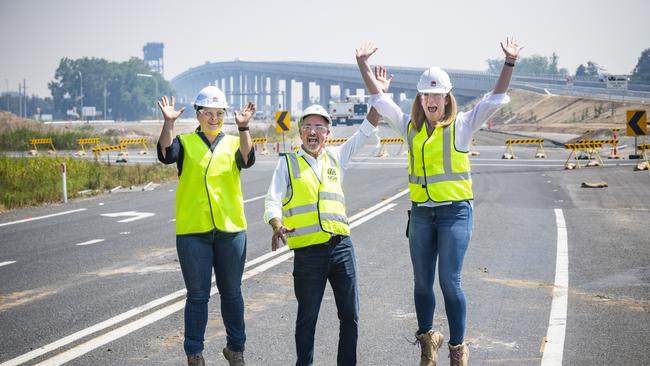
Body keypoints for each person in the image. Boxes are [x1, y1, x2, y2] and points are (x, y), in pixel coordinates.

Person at [355, 38, 523, 366]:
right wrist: (363, 64)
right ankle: (427, 341)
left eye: (438, 94)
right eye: (427, 94)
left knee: (449, 279)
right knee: (421, 282)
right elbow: (379, 99)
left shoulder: (461, 126)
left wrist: (510, 63)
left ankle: (458, 350)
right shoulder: (409, 127)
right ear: (420, 98)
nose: (432, 99)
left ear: (447, 98)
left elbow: (495, 99)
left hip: (455, 214)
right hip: (420, 215)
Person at [264, 104, 380, 366]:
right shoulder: (288, 163)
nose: (313, 132)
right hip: (308, 254)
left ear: (328, 133)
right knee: (307, 318)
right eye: (308, 127)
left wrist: (378, 95)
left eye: (319, 127)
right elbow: (272, 199)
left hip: (341, 248)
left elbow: (366, 128)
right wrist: (276, 223)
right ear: (300, 133)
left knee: (350, 315)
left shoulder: (336, 157)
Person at [157, 86, 256, 366]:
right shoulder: (185, 143)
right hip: (193, 232)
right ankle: (194, 353)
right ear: (198, 115)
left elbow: (247, 160)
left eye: (218, 113)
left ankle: (235, 349)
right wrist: (168, 123)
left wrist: (244, 127)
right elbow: (165, 153)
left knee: (232, 293)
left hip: (230, 230)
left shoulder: (236, 142)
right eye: (208, 113)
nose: (214, 118)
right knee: (198, 296)